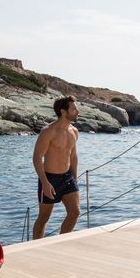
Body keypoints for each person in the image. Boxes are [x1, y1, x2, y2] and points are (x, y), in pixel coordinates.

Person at [32, 95, 81, 239]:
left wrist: (74, 178)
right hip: (50, 179)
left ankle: (61, 242)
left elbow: (73, 156)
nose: (78, 112)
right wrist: (45, 183)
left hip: (67, 178)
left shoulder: (74, 131)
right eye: (74, 109)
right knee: (44, 218)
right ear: (63, 112)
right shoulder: (49, 131)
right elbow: (36, 158)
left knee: (75, 212)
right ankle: (36, 247)